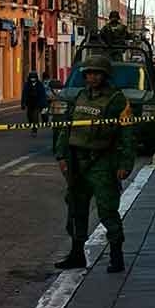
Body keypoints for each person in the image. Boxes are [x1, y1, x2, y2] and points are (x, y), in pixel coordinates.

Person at [54, 55, 135, 274]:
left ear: (105, 75)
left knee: (107, 210)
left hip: (102, 162)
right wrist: (61, 156)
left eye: (97, 73)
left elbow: (127, 134)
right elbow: (67, 128)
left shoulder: (117, 100)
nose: (92, 77)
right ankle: (77, 254)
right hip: (76, 162)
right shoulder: (80, 96)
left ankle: (116, 256)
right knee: (75, 209)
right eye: (89, 73)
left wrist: (125, 164)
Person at [21, 71, 47, 136]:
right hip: (29, 103)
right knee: (29, 116)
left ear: (36, 78)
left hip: (37, 103)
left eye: (34, 78)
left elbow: (43, 95)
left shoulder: (40, 84)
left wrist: (44, 104)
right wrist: (23, 104)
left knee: (35, 116)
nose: (32, 79)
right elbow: (24, 94)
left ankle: (34, 130)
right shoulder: (27, 85)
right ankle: (32, 125)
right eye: (31, 78)